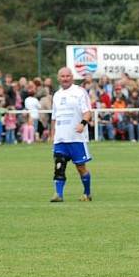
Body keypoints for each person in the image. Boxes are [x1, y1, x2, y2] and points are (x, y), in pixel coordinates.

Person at [50, 67, 93, 202]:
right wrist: (52, 134)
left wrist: (82, 123)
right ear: (58, 78)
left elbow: (88, 112)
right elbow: (54, 117)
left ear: (72, 77)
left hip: (76, 138)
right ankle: (58, 195)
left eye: (68, 76)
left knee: (81, 167)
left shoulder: (79, 92)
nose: (65, 78)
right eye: (62, 76)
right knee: (59, 166)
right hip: (60, 138)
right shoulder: (57, 95)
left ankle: (87, 193)